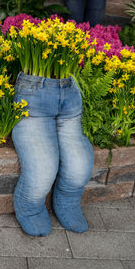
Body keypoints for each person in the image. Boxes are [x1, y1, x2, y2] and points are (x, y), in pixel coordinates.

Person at [12, 71, 94, 237]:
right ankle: (31, 208)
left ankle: (68, 201)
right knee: (42, 172)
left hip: (69, 92)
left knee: (80, 167)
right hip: (33, 95)